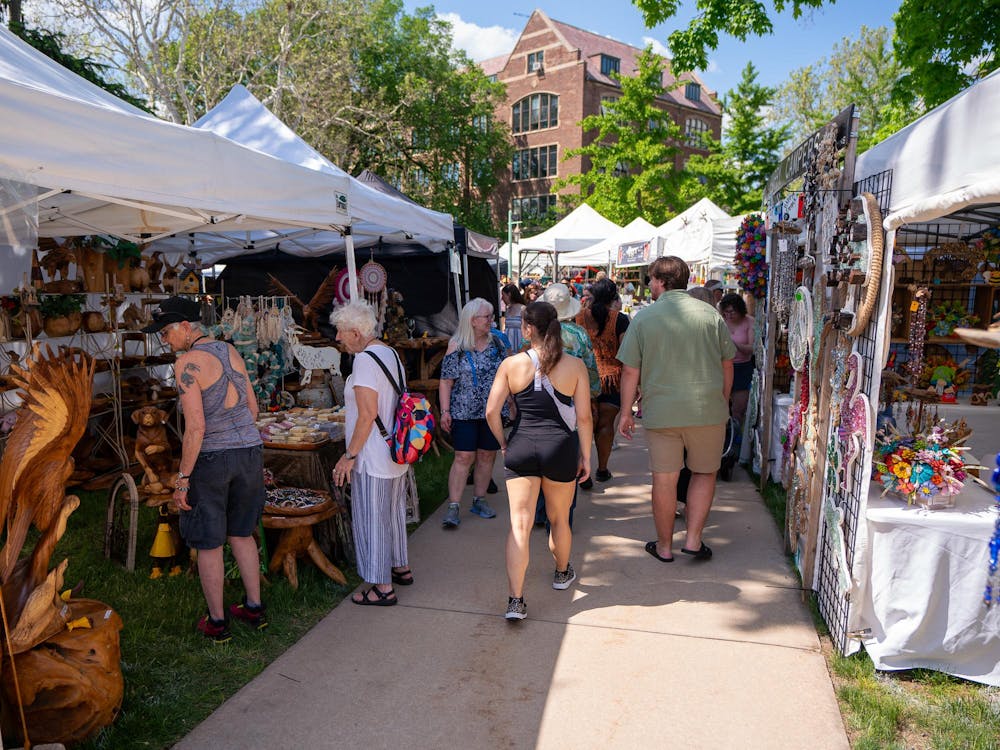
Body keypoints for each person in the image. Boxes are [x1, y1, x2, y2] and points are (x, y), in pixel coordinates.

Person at [148, 297, 266, 643]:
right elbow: (253, 408)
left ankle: (217, 623)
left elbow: (196, 428)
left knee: (210, 543)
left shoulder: (187, 363)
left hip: (214, 458)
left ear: (186, 327)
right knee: (242, 533)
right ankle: (254, 608)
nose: (164, 340)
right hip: (249, 451)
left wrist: (182, 479)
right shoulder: (231, 351)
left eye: (166, 332)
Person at [617, 256, 735, 563]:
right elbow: (727, 364)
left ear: (659, 280)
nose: (650, 286)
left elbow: (630, 371)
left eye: (650, 280)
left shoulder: (644, 318)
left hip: (662, 412)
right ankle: (694, 540)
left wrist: (626, 411)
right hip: (707, 409)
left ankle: (665, 546)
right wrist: (722, 400)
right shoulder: (711, 315)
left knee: (664, 479)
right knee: (705, 473)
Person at [486, 301, 593, 621]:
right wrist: (586, 456)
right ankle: (562, 573)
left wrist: (503, 442)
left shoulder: (511, 364)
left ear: (528, 329)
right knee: (560, 519)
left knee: (519, 525)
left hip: (521, 446)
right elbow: (585, 418)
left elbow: (492, 411)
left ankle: (515, 601)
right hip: (560, 448)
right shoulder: (574, 366)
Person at [330, 300, 412, 606]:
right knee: (391, 513)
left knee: (371, 518)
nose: (337, 338)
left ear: (354, 332)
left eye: (340, 332)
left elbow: (366, 415)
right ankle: (399, 566)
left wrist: (349, 456)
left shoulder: (364, 360)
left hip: (373, 452)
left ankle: (381, 586)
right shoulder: (388, 352)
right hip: (393, 448)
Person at [439, 298, 507, 527]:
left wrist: (513, 403)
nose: (491, 320)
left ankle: (480, 499)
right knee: (463, 457)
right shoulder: (456, 345)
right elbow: (446, 381)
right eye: (487, 317)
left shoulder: (497, 343)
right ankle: (454, 506)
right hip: (463, 411)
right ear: (473, 321)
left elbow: (508, 375)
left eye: (491, 316)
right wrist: (445, 411)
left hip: (492, 411)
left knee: (487, 455)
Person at [541, 282, 600, 498]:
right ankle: (565, 502)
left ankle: (541, 508)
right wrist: (593, 394)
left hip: (541, 397)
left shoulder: (538, 333)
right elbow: (590, 366)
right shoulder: (579, 334)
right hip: (572, 396)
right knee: (570, 443)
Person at [575, 278, 629, 484]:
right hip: (611, 379)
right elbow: (626, 352)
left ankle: (583, 468)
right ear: (613, 297)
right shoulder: (620, 319)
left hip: (583, 379)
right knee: (605, 425)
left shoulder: (578, 317)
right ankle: (602, 469)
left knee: (586, 424)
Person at [719, 292, 755, 427]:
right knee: (721, 407)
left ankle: (736, 437)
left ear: (740, 310)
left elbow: (751, 349)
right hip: (723, 367)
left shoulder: (749, 322)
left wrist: (734, 344)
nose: (729, 315)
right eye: (726, 312)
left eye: (732, 312)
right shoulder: (721, 321)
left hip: (742, 368)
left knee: (738, 408)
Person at [501, 283, 526, 353]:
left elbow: (526, 328)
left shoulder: (523, 309)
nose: (502, 298)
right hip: (508, 346)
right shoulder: (508, 309)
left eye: (503, 295)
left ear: (509, 294)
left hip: (519, 346)